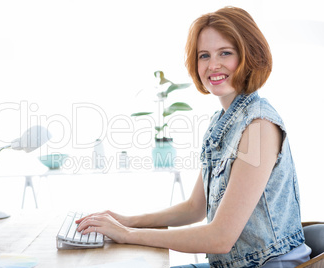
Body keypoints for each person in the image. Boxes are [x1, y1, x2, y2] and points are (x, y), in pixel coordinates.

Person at [77, 6, 310, 268]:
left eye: (225, 53)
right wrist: (127, 221)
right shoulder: (222, 122)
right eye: (204, 55)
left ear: (250, 55)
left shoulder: (259, 126)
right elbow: (193, 208)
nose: (213, 65)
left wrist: (128, 235)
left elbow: (220, 238)